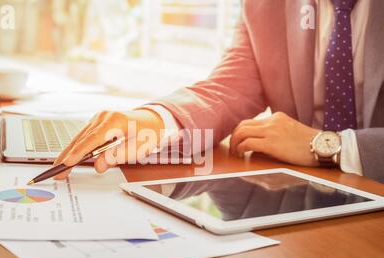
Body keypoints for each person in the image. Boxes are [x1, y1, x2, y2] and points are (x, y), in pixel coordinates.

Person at [54, 0, 384, 183]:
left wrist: (333, 147)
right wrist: (155, 120)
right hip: (305, 204)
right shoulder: (264, 6)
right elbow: (230, 86)